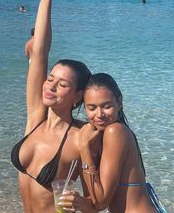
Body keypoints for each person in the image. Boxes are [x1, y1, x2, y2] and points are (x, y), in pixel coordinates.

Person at [11, 0, 97, 213]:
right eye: (50, 79)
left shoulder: (81, 137)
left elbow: (96, 204)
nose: (50, 86)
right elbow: (39, 52)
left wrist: (82, 203)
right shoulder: (36, 115)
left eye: (61, 85)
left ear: (78, 96)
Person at [60, 73, 167, 213]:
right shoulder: (106, 134)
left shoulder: (114, 131)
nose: (99, 114)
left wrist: (84, 148)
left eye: (106, 106)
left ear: (119, 101)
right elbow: (95, 202)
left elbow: (101, 202)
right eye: (91, 108)